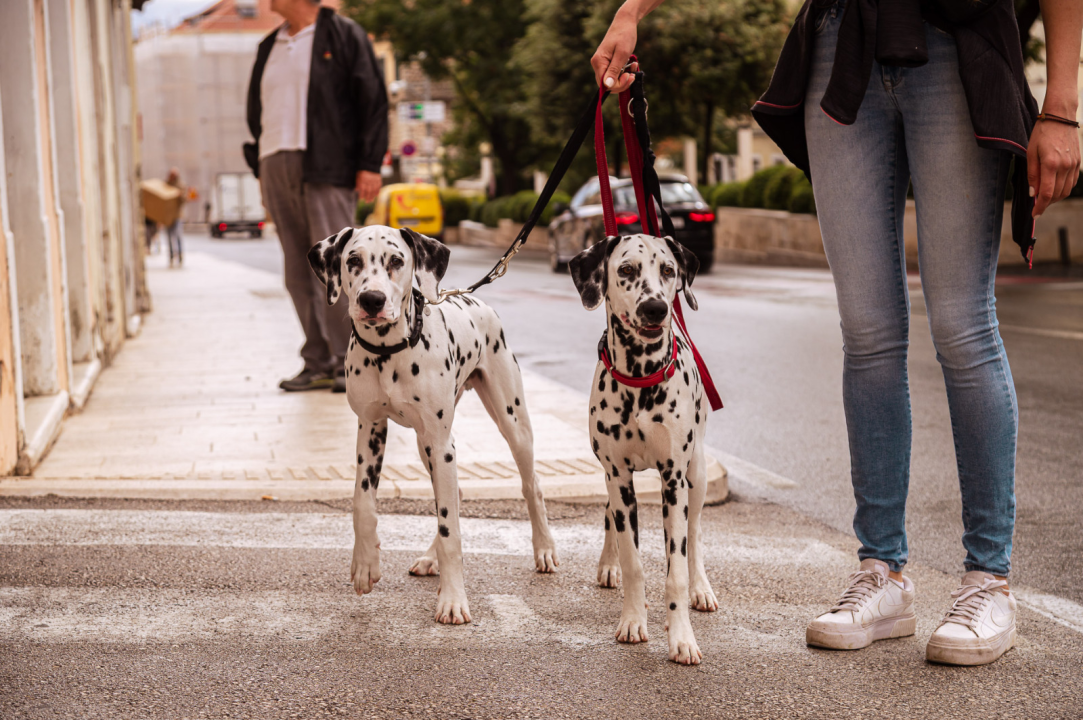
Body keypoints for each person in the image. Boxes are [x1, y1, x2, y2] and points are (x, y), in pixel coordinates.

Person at [593, 0, 1081, 666]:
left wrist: (1059, 106)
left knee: (962, 326)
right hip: (839, 43)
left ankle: (986, 580)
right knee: (868, 333)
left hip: (955, 41)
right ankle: (881, 573)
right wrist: (632, 11)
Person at [245, 0, 388, 393]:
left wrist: (370, 162)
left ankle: (350, 361)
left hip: (327, 162)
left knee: (337, 268)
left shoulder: (343, 35)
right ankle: (318, 360)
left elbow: (372, 99)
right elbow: (257, 113)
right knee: (296, 270)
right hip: (275, 161)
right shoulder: (268, 46)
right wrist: (261, 170)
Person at [165, 168, 186, 268]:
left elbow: (184, 200)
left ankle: (180, 256)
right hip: (168, 216)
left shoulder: (180, 186)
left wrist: (180, 195)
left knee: (178, 237)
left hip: (177, 216)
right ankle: (172, 257)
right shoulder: (166, 185)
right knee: (169, 238)